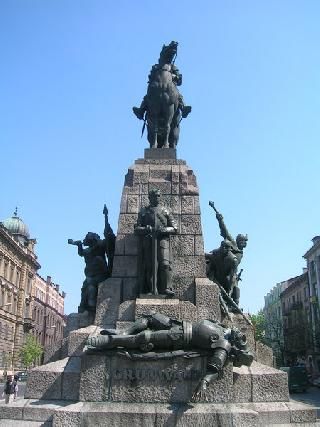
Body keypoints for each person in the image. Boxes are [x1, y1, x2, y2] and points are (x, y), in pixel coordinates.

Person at [85, 312, 254, 401]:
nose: (240, 333)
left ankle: (107, 341)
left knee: (143, 338)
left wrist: (204, 382)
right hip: (178, 325)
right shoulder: (221, 327)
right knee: (150, 315)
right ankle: (123, 332)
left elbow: (215, 366)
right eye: (241, 335)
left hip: (179, 338)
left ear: (237, 346)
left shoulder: (224, 344)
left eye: (242, 339)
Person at [68, 204, 115, 313]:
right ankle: (85, 307)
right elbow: (81, 253)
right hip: (90, 275)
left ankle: (91, 307)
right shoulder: (87, 250)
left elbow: (108, 235)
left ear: (92, 239)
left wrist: (106, 217)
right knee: (86, 288)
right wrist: (77, 244)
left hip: (101, 275)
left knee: (90, 287)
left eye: (86, 238)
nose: (85, 239)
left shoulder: (100, 245)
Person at [134, 189, 177, 296]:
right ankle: (150, 289)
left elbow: (175, 228)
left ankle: (166, 288)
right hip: (148, 240)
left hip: (162, 241)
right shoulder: (144, 211)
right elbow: (136, 229)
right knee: (150, 266)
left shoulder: (166, 211)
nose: (156, 198)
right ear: (150, 197)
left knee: (165, 264)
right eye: (154, 196)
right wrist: (146, 229)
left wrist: (164, 230)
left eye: (158, 196)